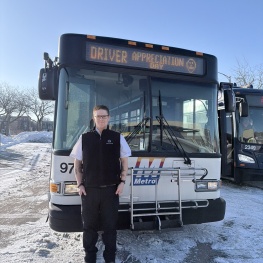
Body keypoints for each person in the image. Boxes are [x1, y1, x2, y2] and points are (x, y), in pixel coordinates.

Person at [70, 105, 131, 263]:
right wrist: (80, 185)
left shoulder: (118, 138)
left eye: (104, 116)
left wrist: (122, 182)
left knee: (110, 227)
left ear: (109, 118)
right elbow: (77, 165)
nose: (101, 119)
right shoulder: (85, 138)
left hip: (111, 190)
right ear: (94, 118)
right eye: (98, 116)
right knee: (89, 226)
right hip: (89, 191)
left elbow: (124, 162)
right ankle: (90, 254)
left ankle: (109, 256)